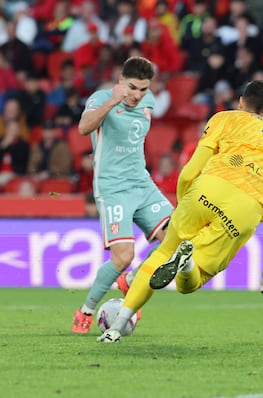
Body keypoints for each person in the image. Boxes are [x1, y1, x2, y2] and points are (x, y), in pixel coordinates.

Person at [97, 79, 263, 343]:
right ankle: (189, 263)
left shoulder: (224, 118)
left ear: (240, 102)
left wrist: (186, 204)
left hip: (207, 189)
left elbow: (189, 173)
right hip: (245, 209)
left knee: (161, 254)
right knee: (189, 284)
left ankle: (117, 327)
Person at [72, 56, 174, 333]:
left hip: (142, 183)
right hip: (113, 187)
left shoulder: (148, 100)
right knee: (122, 257)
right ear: (120, 82)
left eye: (143, 89)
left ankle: (131, 281)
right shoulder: (101, 99)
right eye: (132, 88)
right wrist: (112, 101)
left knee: (179, 240)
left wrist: (138, 96)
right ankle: (85, 311)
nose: (137, 95)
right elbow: (83, 128)